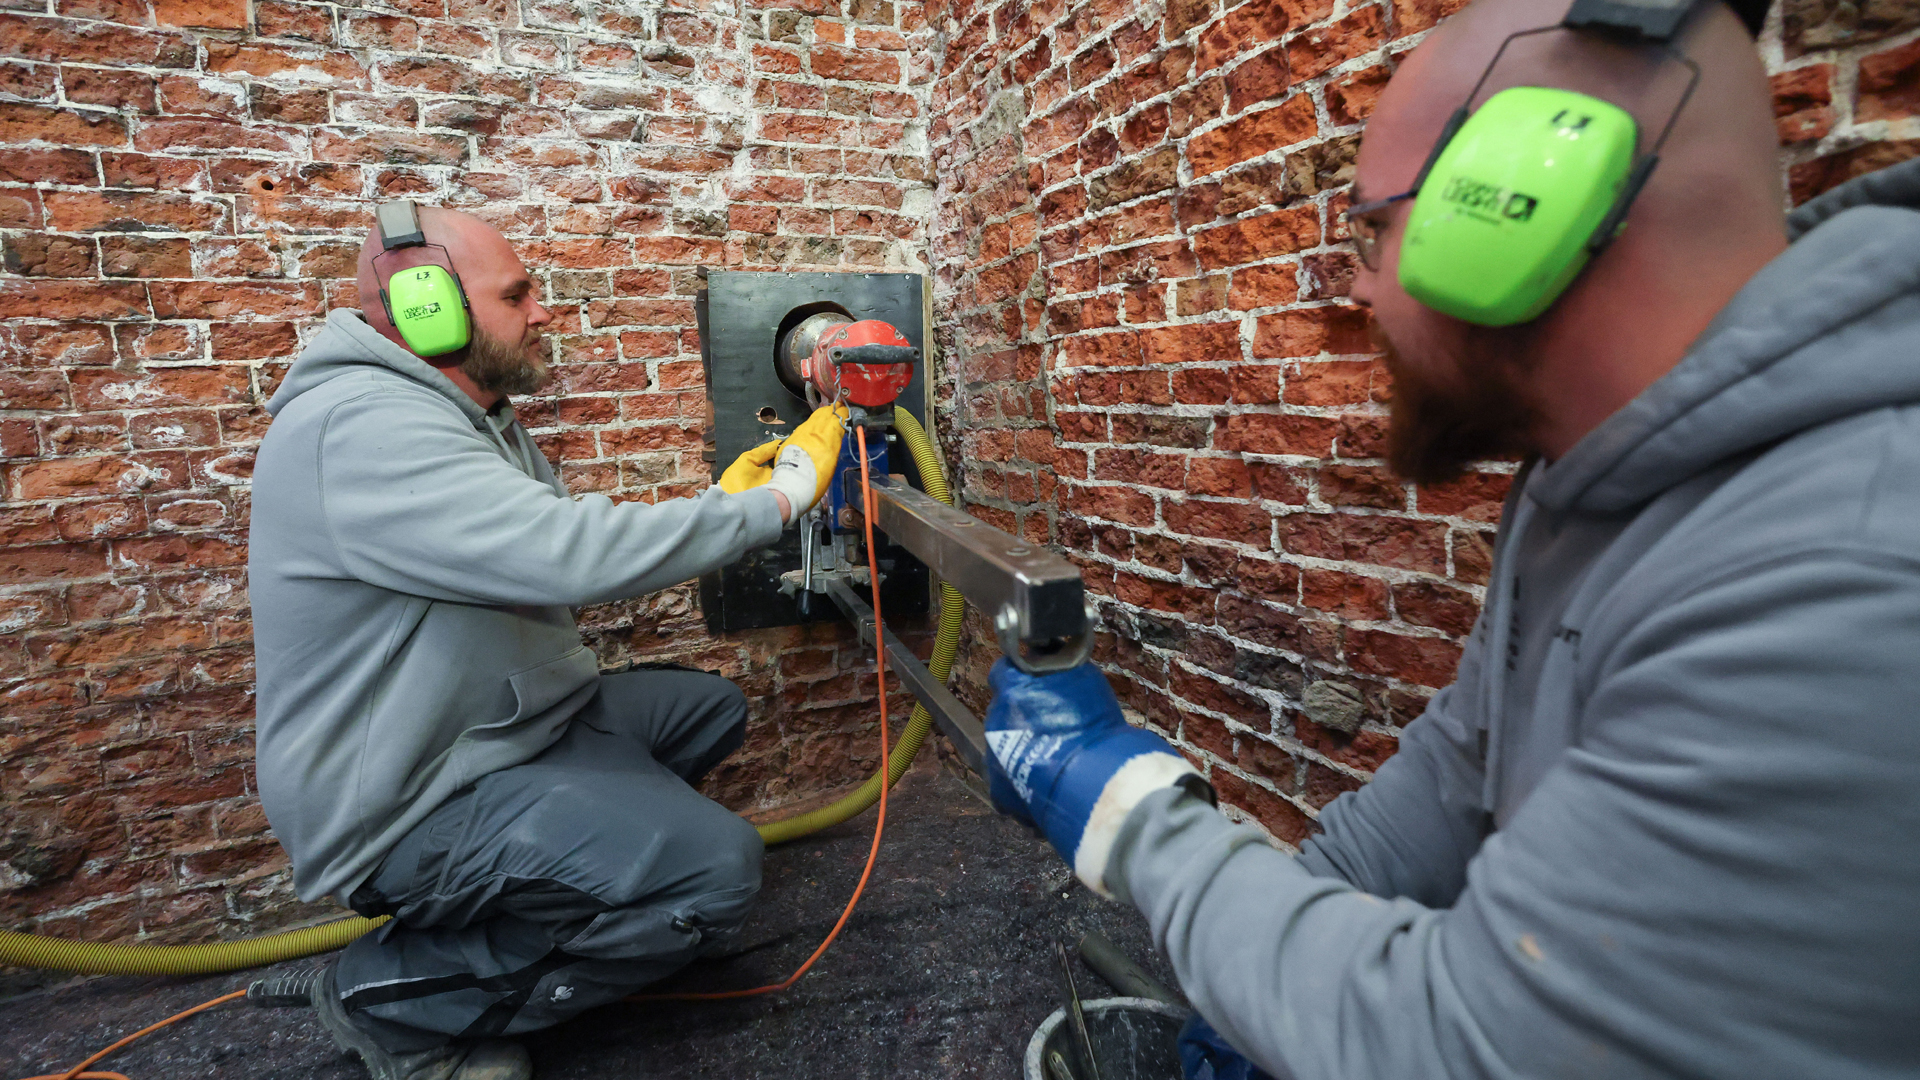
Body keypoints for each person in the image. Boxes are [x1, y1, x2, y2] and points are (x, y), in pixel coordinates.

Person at [984, 0, 1920, 1076]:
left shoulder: (1841, 579)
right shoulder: (1590, 474)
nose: (1356, 286)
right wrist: (1284, 957)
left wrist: (1128, 812)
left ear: (1525, 205)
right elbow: (1457, 772)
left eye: (1372, 229)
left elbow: (1466, 1046)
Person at [248, 204, 845, 1080]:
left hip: (489, 738)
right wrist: (777, 499)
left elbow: (541, 531)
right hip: (404, 801)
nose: (542, 311)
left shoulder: (471, 414)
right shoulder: (364, 428)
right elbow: (570, 555)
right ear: (428, 308)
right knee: (719, 871)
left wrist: (727, 496)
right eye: (518, 293)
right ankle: (399, 1003)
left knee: (705, 709)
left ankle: (604, 911)